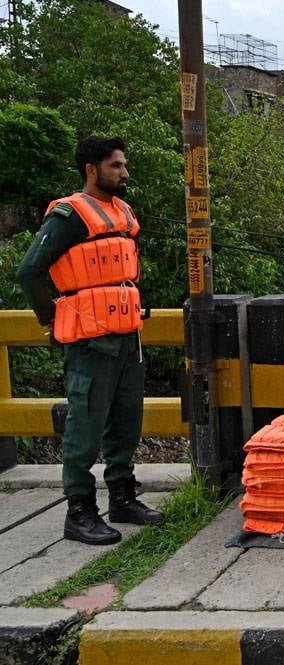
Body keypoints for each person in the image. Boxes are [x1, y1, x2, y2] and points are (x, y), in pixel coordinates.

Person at [16, 136, 164, 545]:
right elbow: (29, 271)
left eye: (124, 164)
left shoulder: (123, 212)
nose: (125, 173)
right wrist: (51, 319)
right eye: (116, 166)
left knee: (126, 422)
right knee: (85, 426)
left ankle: (122, 497)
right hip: (89, 341)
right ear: (92, 170)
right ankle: (79, 511)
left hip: (126, 335)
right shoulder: (69, 215)